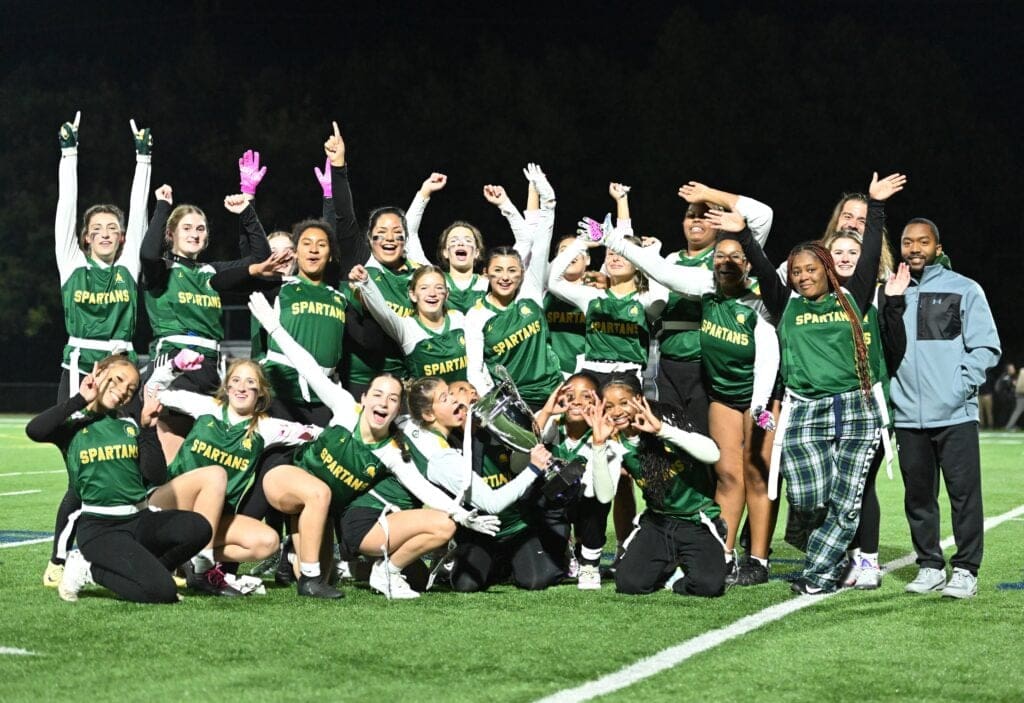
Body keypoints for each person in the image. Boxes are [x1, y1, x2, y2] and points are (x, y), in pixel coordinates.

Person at [711, 171, 906, 594]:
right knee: (808, 498)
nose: (802, 276)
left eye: (811, 269)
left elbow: (871, 251)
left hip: (855, 409)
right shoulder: (786, 304)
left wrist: (876, 206)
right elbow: (765, 269)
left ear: (827, 269)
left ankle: (818, 576)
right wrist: (743, 234)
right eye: (797, 271)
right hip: (805, 409)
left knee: (846, 500)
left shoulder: (853, 296)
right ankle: (814, 544)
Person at [248, 292, 499, 599]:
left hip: (321, 509)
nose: (384, 402)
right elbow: (309, 368)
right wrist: (275, 329)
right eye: (378, 395)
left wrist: (460, 514)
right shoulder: (345, 407)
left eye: (393, 399)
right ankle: (308, 579)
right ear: (365, 398)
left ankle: (313, 566)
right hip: (288, 475)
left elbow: (425, 490)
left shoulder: (391, 451)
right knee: (319, 494)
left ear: (397, 410)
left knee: (327, 567)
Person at [599, 226, 780, 586]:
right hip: (724, 396)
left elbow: (768, 357)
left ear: (748, 264)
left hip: (759, 396)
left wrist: (760, 404)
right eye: (720, 256)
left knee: (756, 475)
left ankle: (759, 559)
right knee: (727, 475)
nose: (727, 262)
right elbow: (662, 271)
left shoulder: (758, 300)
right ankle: (724, 553)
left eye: (736, 257)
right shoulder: (707, 289)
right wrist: (614, 240)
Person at [44, 112, 153, 588]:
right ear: (86, 237)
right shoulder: (71, 264)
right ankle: (60, 558)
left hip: (124, 373)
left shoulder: (128, 267)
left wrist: (143, 159)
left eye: (114, 228)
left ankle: (129, 549)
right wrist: (69, 153)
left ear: (122, 237)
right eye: (98, 228)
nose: (106, 233)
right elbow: (65, 209)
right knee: (82, 470)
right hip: (80, 370)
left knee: (130, 465)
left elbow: (139, 210)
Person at [26, 356, 211, 604]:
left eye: (131, 389)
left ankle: (154, 570)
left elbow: (155, 476)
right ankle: (88, 570)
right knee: (163, 593)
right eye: (119, 379)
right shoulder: (73, 424)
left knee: (199, 528)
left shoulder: (130, 421)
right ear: (100, 372)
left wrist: (148, 429)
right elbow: (34, 430)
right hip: (101, 530)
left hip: (140, 520)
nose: (123, 390)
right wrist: (81, 398)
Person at [888, 217, 1000, 599]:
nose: (914, 249)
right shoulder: (891, 291)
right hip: (907, 415)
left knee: (963, 496)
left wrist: (960, 386)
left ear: (937, 247)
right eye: (907, 242)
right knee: (918, 498)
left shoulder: (964, 288)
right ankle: (930, 566)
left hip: (955, 414)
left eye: (923, 242)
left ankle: (966, 570)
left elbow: (986, 346)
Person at [148, 356, 320, 596]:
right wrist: (174, 366)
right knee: (215, 475)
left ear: (261, 392)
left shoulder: (268, 428)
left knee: (267, 541)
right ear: (227, 386)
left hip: (210, 520)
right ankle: (203, 568)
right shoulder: (206, 406)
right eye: (236, 380)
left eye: (250, 382)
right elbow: (153, 391)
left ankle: (183, 558)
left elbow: (317, 434)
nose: (241, 387)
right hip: (170, 507)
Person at [140, 166, 271, 458]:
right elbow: (147, 253)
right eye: (187, 228)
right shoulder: (161, 270)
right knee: (172, 454)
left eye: (200, 229)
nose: (195, 234)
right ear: (170, 234)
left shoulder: (212, 272)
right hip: (173, 361)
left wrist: (247, 211)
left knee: (204, 453)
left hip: (211, 366)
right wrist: (162, 207)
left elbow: (260, 258)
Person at [653, 182, 773, 436]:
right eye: (691, 215)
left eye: (705, 215)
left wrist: (708, 194)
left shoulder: (727, 260)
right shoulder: (671, 260)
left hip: (704, 369)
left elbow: (763, 215)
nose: (696, 220)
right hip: (668, 364)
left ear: (719, 223)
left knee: (705, 442)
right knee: (670, 439)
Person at [600, 374, 726, 597]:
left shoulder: (668, 417)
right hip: (658, 522)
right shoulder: (614, 439)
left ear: (639, 399)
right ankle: (669, 567)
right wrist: (598, 445)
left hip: (696, 521)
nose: (616, 411)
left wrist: (661, 430)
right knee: (629, 583)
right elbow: (603, 495)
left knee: (708, 586)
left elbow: (712, 454)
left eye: (623, 403)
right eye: (609, 406)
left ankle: (680, 572)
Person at [547, 183, 668, 386]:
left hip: (629, 377)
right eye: (610, 254)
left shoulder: (644, 300)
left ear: (637, 263)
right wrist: (580, 244)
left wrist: (650, 256)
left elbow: (660, 299)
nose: (615, 258)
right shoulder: (592, 296)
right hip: (591, 374)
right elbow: (553, 281)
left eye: (623, 255)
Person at [465, 165, 562, 410]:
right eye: (497, 270)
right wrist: (500, 408)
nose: (505, 277)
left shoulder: (530, 291)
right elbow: (474, 371)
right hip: (514, 404)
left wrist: (545, 199)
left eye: (512, 270)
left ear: (522, 273)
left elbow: (537, 239)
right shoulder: (477, 316)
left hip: (553, 395)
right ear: (486, 273)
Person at [534, 373, 621, 589]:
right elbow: (517, 464)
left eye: (586, 396)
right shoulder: (547, 421)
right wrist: (546, 412)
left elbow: (604, 496)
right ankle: (564, 547)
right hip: (548, 506)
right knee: (541, 578)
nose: (577, 401)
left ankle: (589, 561)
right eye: (570, 395)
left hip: (585, 504)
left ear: (598, 403)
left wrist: (599, 443)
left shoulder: (607, 435)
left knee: (592, 496)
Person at [350, 263, 469, 383]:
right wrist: (366, 282)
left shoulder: (459, 319)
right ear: (413, 295)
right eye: (424, 288)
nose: (432, 293)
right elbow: (384, 312)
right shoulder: (407, 328)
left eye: (439, 288)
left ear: (447, 294)